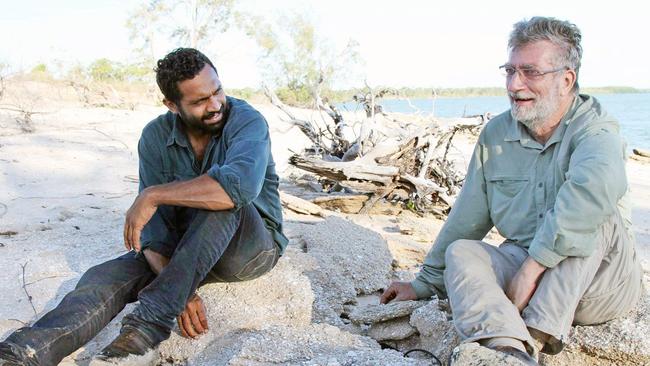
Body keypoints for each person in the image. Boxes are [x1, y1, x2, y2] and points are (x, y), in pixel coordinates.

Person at [0, 48, 288, 365]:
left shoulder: (247, 121)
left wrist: (152, 195)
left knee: (220, 198)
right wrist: (182, 291)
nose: (215, 104)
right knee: (104, 276)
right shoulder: (154, 136)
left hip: (249, 249)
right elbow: (153, 233)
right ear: (172, 105)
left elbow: (238, 190)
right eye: (199, 101)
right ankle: (24, 351)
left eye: (217, 90)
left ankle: (146, 329)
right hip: (184, 248)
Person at [381, 17, 643, 365]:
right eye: (510, 70)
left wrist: (531, 271)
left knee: (596, 210)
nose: (515, 84)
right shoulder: (496, 134)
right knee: (462, 252)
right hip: (523, 271)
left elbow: (591, 194)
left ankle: (534, 332)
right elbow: (467, 217)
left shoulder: (596, 130)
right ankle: (509, 351)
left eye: (530, 72)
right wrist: (424, 283)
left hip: (599, 284)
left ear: (566, 80)